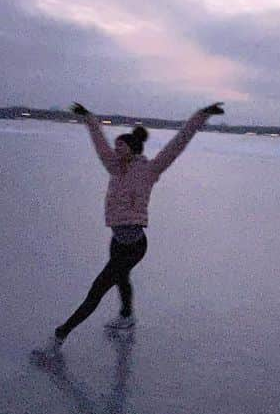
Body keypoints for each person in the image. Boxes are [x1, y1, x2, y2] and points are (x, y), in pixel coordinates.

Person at [32, 100, 224, 365]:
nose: (115, 149)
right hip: (118, 240)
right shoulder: (114, 166)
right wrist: (88, 117)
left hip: (134, 244)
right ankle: (126, 316)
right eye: (115, 146)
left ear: (132, 149)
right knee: (121, 278)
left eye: (120, 146)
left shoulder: (150, 170)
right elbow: (99, 142)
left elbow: (178, 143)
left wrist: (201, 116)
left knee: (97, 290)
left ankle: (59, 337)